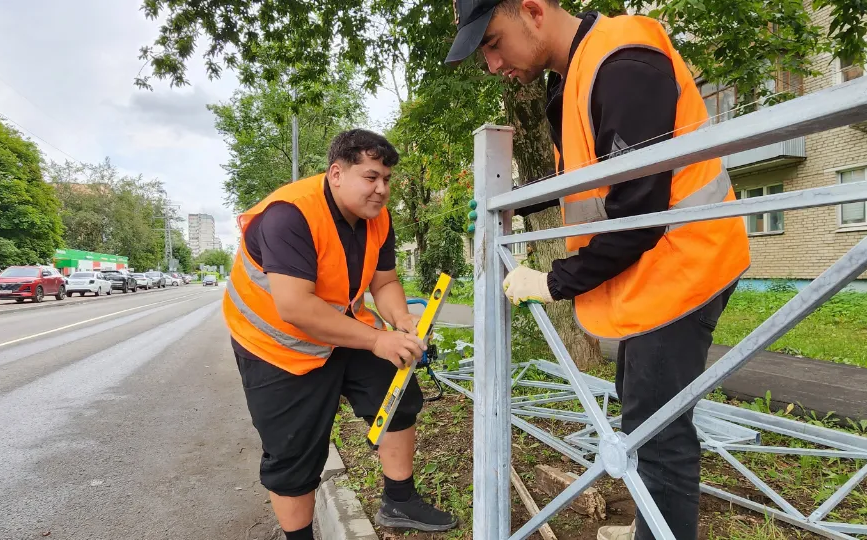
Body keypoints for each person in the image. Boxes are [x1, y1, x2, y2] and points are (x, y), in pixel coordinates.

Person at [445, 2, 750, 539]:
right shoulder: (576, 75)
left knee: (659, 440)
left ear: (532, 11)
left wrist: (553, 281)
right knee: (643, 425)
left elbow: (637, 215)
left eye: (492, 42)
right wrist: (513, 201)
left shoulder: (623, 62)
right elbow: (589, 184)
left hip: (683, 268)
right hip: (654, 274)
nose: (492, 64)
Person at [223, 129, 458, 540]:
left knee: (398, 397)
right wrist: (378, 340)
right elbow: (296, 307)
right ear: (336, 173)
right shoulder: (290, 215)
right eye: (371, 177)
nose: (382, 189)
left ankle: (399, 501)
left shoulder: (377, 218)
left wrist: (401, 319)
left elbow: (384, 282)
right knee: (293, 451)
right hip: (276, 345)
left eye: (387, 179)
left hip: (341, 329)